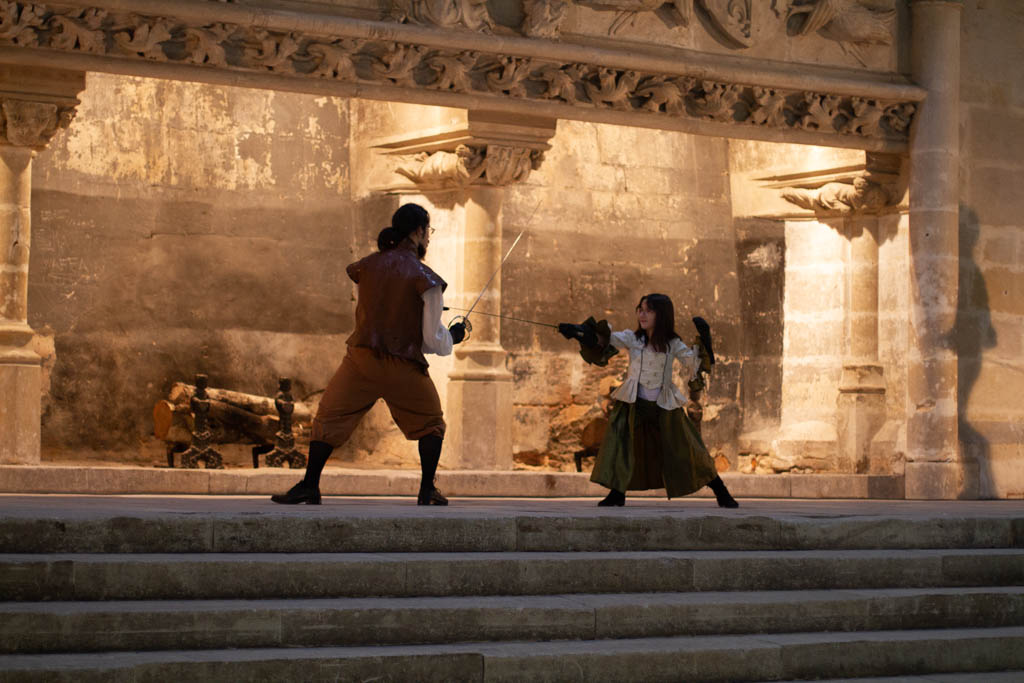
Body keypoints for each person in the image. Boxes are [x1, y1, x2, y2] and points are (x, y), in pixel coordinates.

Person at [272, 204, 466, 506]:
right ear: (418, 231)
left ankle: (310, 485)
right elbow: (431, 340)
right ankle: (427, 490)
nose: (428, 237)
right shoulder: (426, 278)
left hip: (360, 361)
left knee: (328, 418)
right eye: (428, 230)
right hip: (402, 365)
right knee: (431, 423)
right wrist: (453, 337)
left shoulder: (367, 266)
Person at [558, 293, 739, 508]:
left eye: (649, 310)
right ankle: (617, 493)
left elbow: (693, 364)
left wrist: (705, 341)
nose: (642, 315)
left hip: (664, 406)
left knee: (687, 447)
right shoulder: (633, 339)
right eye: (640, 310)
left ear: (661, 315)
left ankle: (720, 489)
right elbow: (605, 340)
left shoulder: (672, 343)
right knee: (623, 446)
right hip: (634, 404)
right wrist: (578, 332)